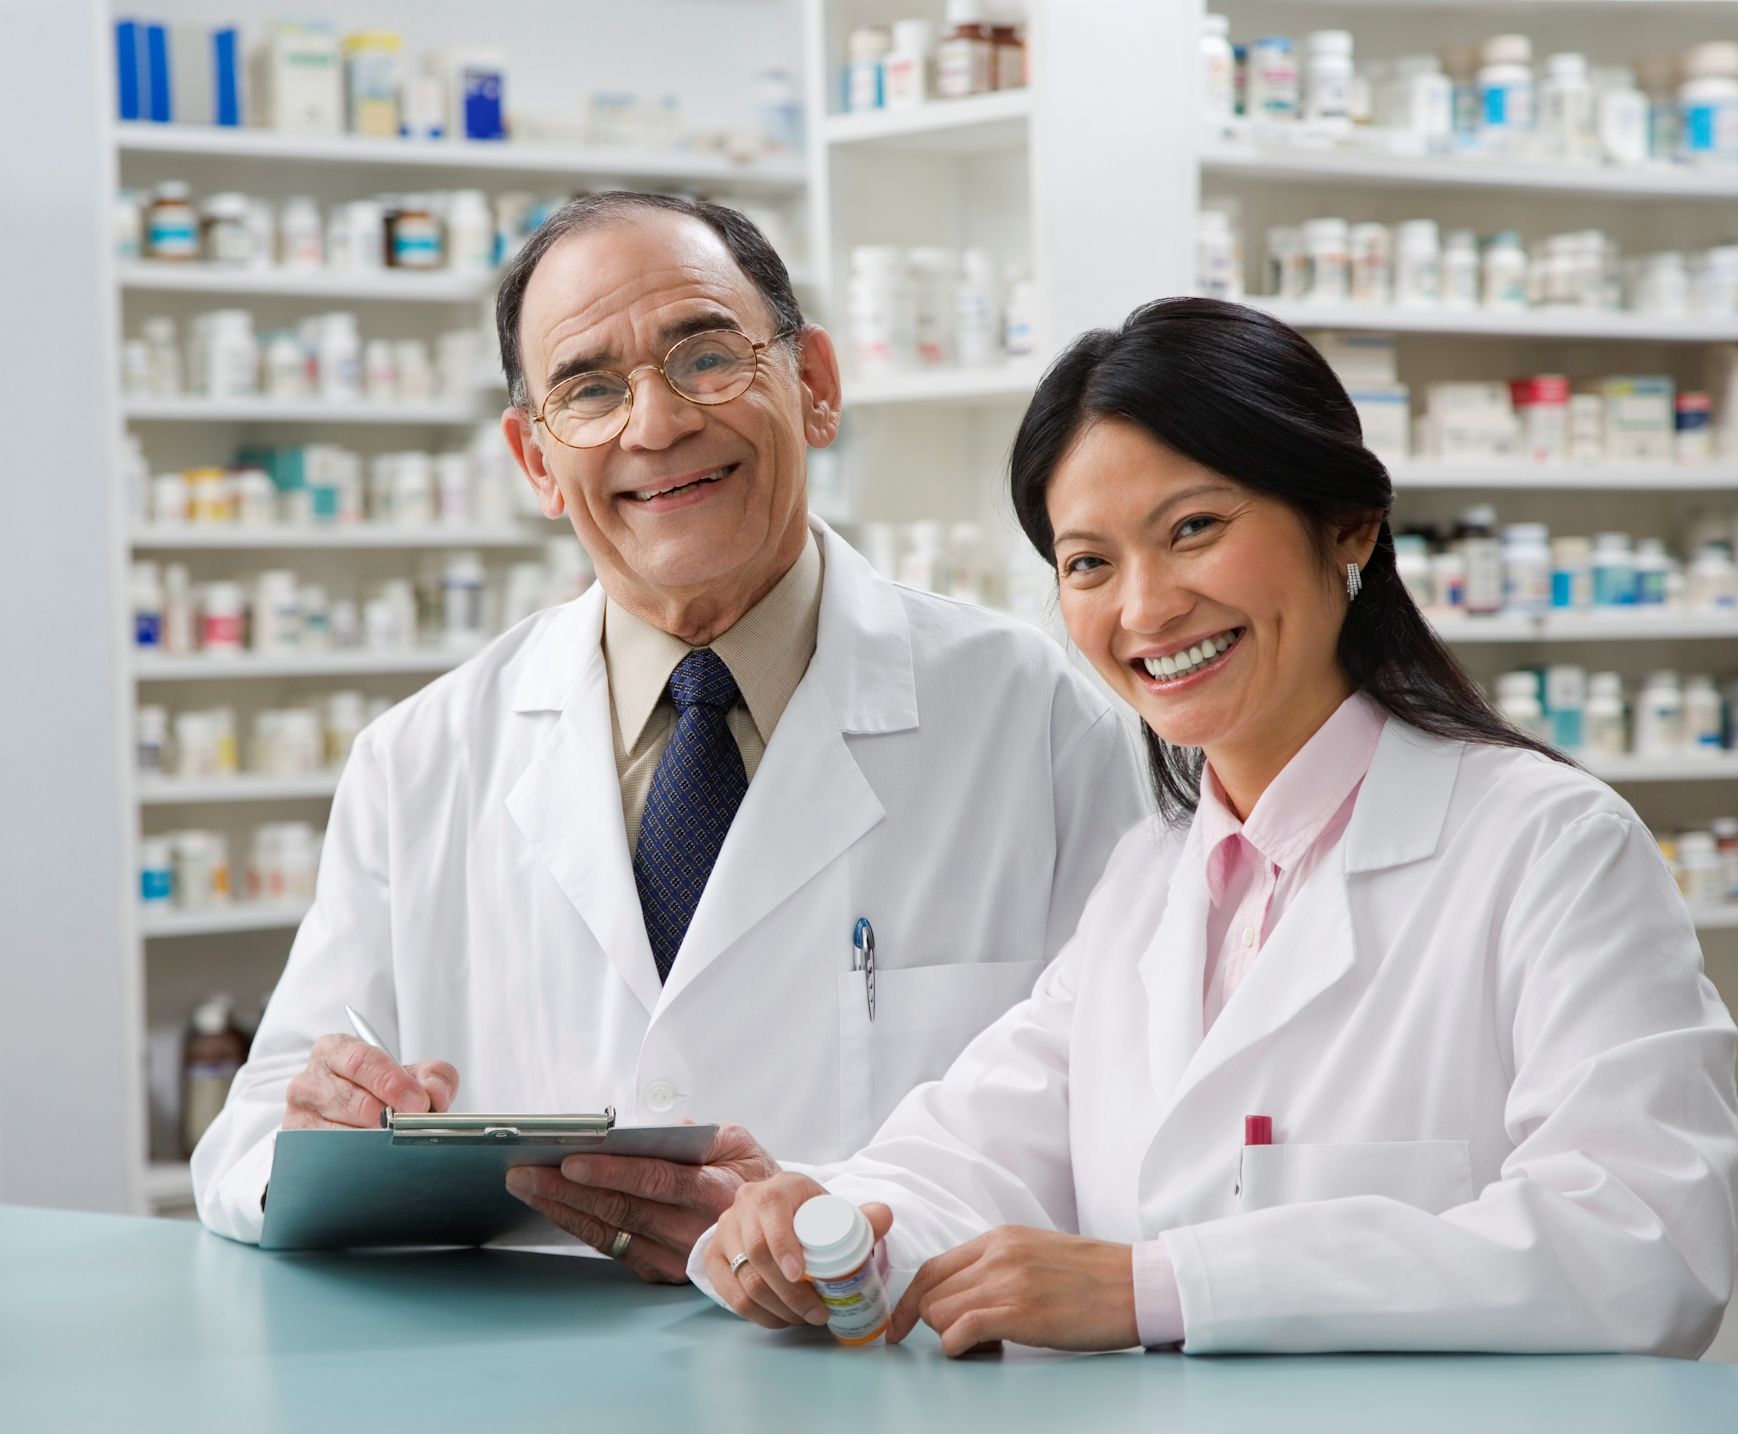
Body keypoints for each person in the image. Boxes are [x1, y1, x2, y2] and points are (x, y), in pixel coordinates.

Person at [696, 297, 1738, 1356]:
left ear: (1348, 525)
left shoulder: (1549, 848)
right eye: (1089, 563)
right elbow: (972, 1147)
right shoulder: (1149, 881)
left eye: (1192, 528)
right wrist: (820, 1225)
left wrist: (1165, 1289)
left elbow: (1646, 1242)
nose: (1144, 610)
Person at [190, 194, 1149, 1275]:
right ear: (537, 460)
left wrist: (835, 1230)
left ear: (816, 386)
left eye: (703, 357)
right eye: (588, 389)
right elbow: (252, 1140)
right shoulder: (422, 760)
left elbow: (1123, 1124)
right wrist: (325, 1141)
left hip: (885, 1373)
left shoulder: (1041, 723)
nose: (655, 425)